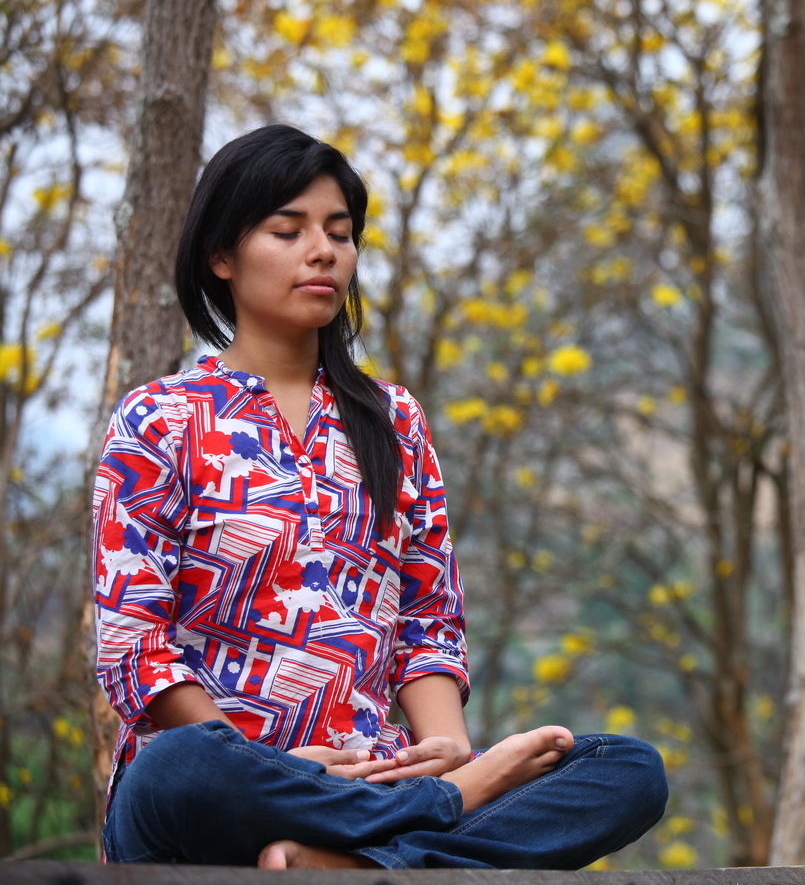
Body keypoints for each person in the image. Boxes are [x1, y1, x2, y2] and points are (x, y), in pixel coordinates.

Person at [92, 124, 667, 869]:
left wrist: (451, 751)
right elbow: (134, 649)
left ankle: (355, 864)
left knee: (627, 770)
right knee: (174, 770)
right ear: (222, 256)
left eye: (340, 232)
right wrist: (295, 771)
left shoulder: (393, 421)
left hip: (378, 770)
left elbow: (429, 620)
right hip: (231, 789)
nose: (323, 250)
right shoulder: (159, 419)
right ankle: (427, 825)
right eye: (287, 230)